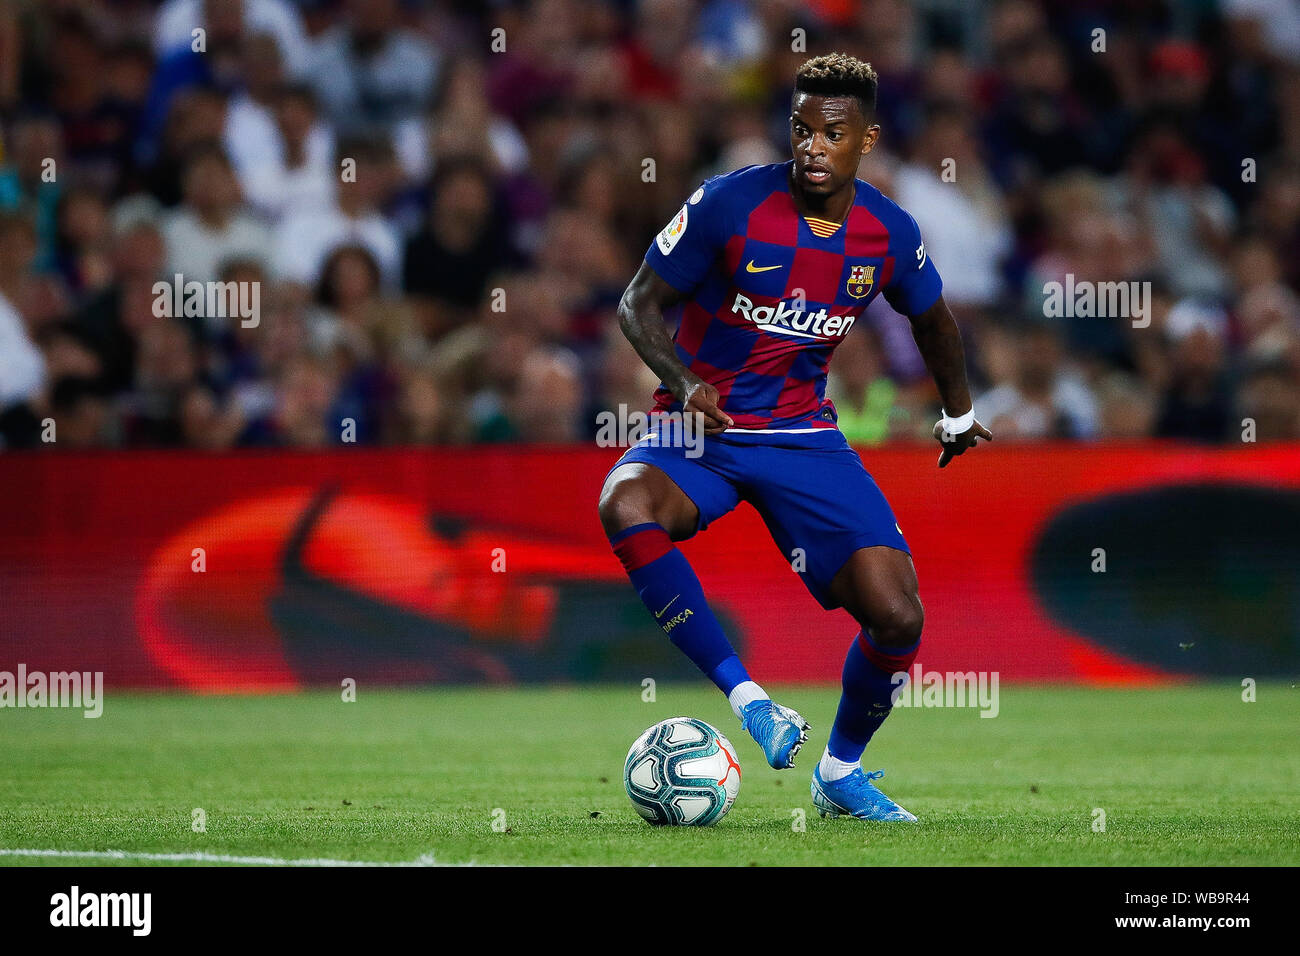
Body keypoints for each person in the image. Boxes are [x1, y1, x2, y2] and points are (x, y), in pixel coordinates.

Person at [597, 53, 990, 822]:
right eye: (802, 128)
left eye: (833, 133)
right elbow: (637, 304)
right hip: (702, 426)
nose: (813, 145)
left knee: (899, 616)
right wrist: (682, 381)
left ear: (866, 139)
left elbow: (933, 319)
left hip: (803, 435)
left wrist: (958, 412)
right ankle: (751, 703)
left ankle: (840, 773)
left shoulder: (885, 231)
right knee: (624, 501)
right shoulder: (726, 204)